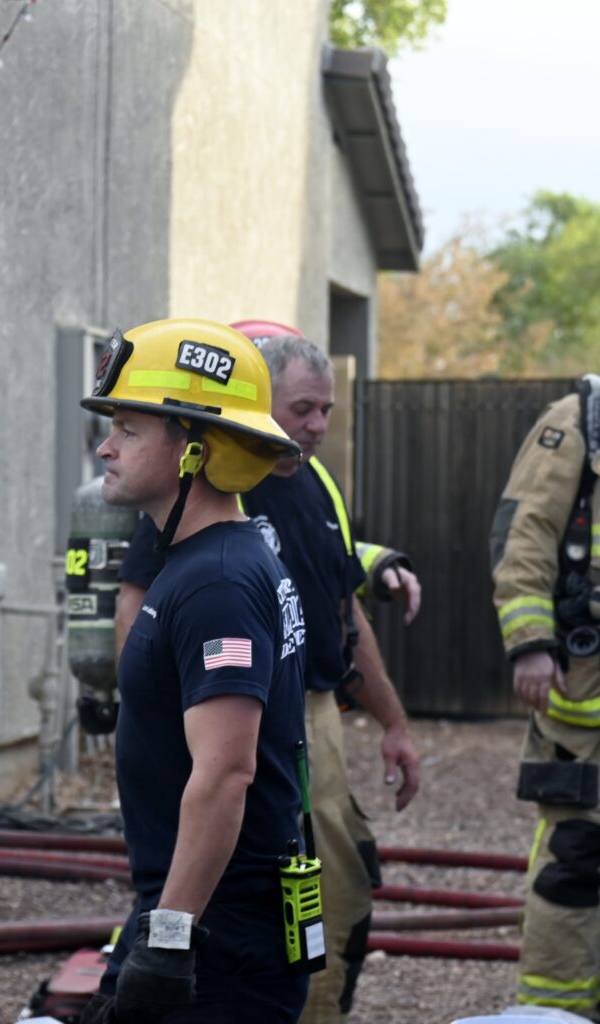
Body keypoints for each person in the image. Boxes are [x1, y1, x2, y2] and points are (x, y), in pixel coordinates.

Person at [115, 326, 421, 1024]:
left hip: (296, 724)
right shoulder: (204, 509)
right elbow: (140, 611)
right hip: (238, 723)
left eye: (326, 411)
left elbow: (342, 612)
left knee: (334, 894)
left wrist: (394, 722)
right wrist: (150, 725)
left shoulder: (305, 496)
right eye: (301, 409)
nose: (316, 426)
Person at [79, 317, 313, 1024]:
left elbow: (225, 774)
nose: (106, 446)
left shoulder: (217, 582)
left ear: (194, 451)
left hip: (216, 941)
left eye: (129, 429)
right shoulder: (202, 564)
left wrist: (168, 945)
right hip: (200, 919)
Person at [490, 377, 600, 1022]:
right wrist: (530, 642)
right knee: (576, 860)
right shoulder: (580, 421)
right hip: (585, 707)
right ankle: (557, 1015)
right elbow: (523, 533)